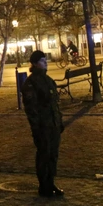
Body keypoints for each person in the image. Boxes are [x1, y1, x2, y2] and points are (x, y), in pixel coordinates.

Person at [21, 51, 65, 198]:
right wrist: (36, 129)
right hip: (43, 127)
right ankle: (43, 186)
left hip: (53, 125)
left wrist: (59, 121)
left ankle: (51, 182)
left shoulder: (48, 80)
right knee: (44, 156)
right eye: (41, 60)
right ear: (34, 63)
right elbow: (31, 110)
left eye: (45, 59)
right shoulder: (31, 83)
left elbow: (55, 104)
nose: (45, 62)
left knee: (53, 155)